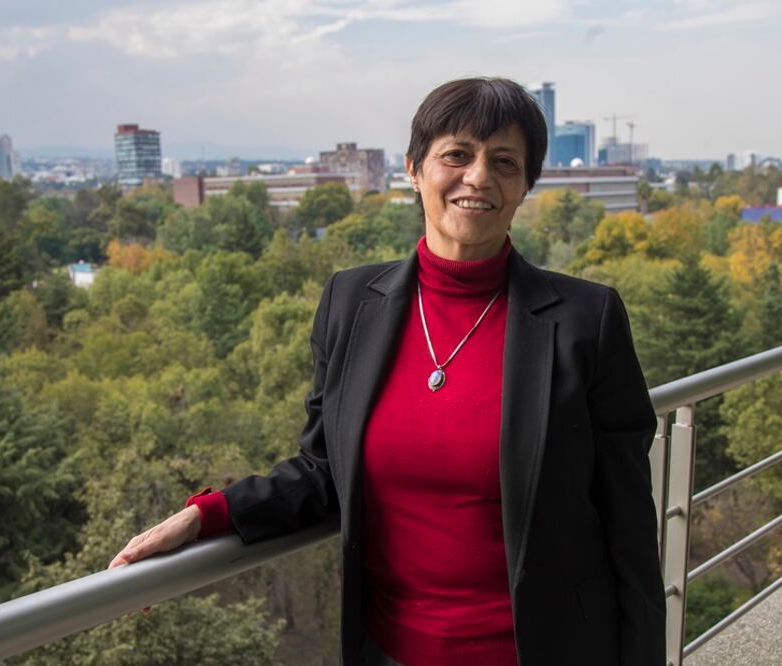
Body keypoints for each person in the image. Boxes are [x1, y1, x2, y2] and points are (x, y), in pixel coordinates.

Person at [109, 77, 665, 665]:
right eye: (457, 154)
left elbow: (628, 526)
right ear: (414, 169)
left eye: (504, 162)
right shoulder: (351, 304)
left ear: (525, 185)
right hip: (390, 652)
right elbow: (324, 469)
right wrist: (208, 515)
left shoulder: (586, 321)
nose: (479, 177)